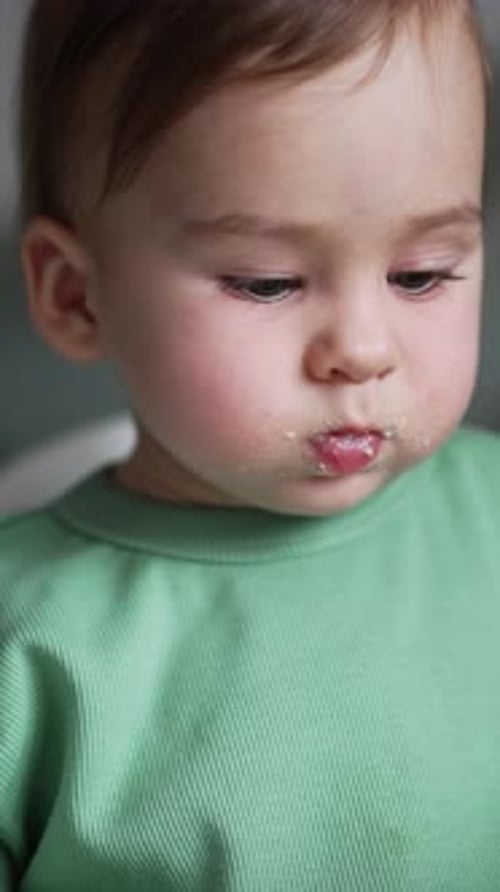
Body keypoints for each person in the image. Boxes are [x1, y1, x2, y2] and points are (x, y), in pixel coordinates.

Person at [0, 0, 497, 888]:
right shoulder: (31, 645)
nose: (364, 350)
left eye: (421, 273)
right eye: (267, 284)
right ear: (78, 297)